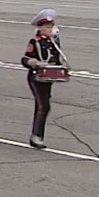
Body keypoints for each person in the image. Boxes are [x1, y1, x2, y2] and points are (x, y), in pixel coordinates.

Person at [21, 9, 63, 149]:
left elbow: (56, 59)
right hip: (36, 77)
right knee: (43, 105)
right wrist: (33, 62)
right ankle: (36, 136)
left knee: (42, 106)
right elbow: (25, 58)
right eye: (47, 27)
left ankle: (38, 135)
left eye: (51, 26)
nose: (50, 29)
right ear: (40, 27)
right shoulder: (35, 42)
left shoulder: (53, 42)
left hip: (48, 77)